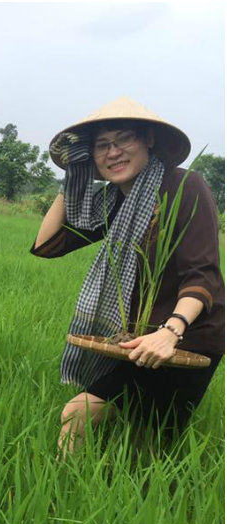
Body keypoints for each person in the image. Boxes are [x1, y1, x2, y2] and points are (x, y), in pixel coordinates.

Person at [33, 97, 223, 453]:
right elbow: (47, 245)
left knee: (146, 446)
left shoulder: (184, 187)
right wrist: (74, 177)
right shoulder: (116, 204)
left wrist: (171, 331)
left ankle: (142, 500)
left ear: (148, 140)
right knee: (80, 413)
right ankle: (63, 492)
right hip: (139, 340)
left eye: (123, 140)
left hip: (187, 339)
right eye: (102, 146)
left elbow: (203, 275)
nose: (113, 152)